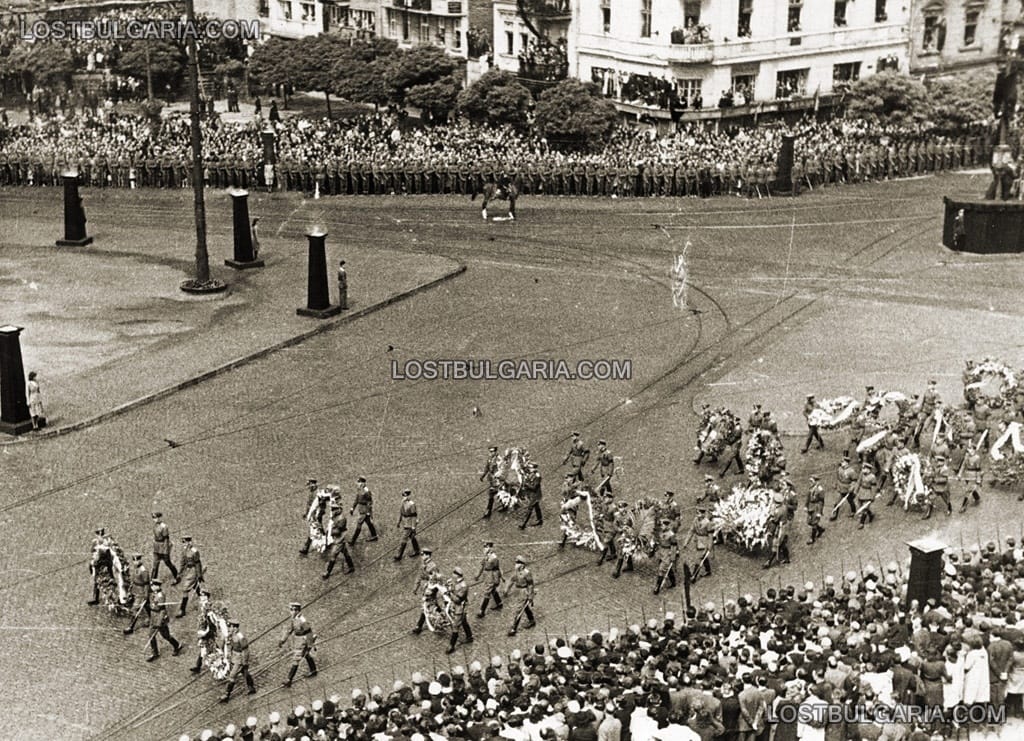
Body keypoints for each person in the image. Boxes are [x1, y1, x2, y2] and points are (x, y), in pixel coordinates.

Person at [279, 602, 317, 687]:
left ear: (298, 610)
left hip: (303, 641)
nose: (292, 612)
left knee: (296, 659)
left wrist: (310, 644)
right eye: (291, 610)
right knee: (306, 655)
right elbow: (289, 630)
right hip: (297, 640)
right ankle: (313, 670)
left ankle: (289, 679)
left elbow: (309, 632)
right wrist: (282, 640)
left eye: (294, 610)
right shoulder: (293, 619)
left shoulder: (302, 620)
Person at [220, 619, 257, 702]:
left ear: (235, 627)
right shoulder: (232, 635)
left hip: (239, 660)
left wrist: (245, 662)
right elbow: (230, 645)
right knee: (245, 673)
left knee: (232, 676)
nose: (229, 628)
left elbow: (245, 650)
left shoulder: (240, 637)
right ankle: (251, 687)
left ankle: (227, 694)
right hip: (234, 657)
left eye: (230, 627)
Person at [146, 579, 182, 662]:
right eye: (152, 586)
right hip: (153, 618)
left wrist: (159, 622)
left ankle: (177, 645)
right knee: (151, 636)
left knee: (166, 636)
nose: (152, 587)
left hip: (160, 620)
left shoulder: (161, 596)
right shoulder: (153, 593)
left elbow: (162, 610)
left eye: (153, 586)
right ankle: (155, 653)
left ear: (157, 586)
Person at [505, 555, 536, 636]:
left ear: (522, 564)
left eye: (518, 562)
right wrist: (506, 589)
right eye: (516, 562)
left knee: (519, 609)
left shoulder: (527, 573)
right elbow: (512, 580)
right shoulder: (516, 571)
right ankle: (531, 620)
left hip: (523, 591)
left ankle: (513, 628)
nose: (516, 564)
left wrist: (530, 596)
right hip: (517, 591)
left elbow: (530, 585)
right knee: (525, 607)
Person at [322, 503, 354, 579]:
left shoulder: (341, 518)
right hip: (338, 538)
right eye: (332, 509)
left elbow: (338, 531)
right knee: (345, 553)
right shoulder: (336, 516)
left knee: (333, 555)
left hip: (339, 539)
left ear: (339, 509)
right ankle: (351, 566)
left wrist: (331, 531)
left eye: (334, 509)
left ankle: (328, 572)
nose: (333, 510)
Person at [175, 536, 204, 617]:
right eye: (183, 542)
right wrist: (179, 574)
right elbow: (182, 562)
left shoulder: (194, 551)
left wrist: (199, 574)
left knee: (185, 589)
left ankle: (182, 610)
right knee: (195, 586)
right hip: (187, 571)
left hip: (193, 570)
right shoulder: (184, 550)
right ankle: (204, 599)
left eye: (185, 542)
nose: (184, 544)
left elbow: (198, 563)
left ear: (189, 542)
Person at [447, 567, 474, 654]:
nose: (452, 575)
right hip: (456, 607)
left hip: (460, 608)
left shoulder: (463, 586)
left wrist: (449, 593)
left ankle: (452, 645)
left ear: (457, 575)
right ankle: (469, 636)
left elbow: (457, 600)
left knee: (455, 626)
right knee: (463, 621)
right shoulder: (455, 582)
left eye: (454, 574)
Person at [123, 554, 151, 634]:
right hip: (136, 590)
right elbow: (133, 580)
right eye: (134, 560)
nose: (135, 562)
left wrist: (146, 594)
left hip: (141, 592)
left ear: (140, 560)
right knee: (147, 606)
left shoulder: (143, 571)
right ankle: (152, 618)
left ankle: (130, 626)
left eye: (137, 560)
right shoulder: (136, 569)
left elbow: (146, 584)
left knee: (135, 609)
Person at [683, 508, 713, 580]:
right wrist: (686, 542)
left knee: (699, 557)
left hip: (704, 540)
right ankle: (708, 570)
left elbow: (710, 536)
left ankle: (694, 576)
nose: (697, 515)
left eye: (699, 513)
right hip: (697, 540)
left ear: (703, 514)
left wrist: (709, 546)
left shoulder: (707, 523)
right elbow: (691, 531)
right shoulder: (695, 520)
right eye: (697, 513)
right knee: (702, 556)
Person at [476, 541, 504, 617]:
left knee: (487, 592)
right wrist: (478, 575)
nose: (484, 549)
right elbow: (482, 566)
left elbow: (497, 568)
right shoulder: (486, 556)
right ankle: (499, 603)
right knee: (492, 590)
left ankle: (482, 611)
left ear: (491, 548)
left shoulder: (494, 557)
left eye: (486, 547)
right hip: (487, 575)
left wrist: (501, 577)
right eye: (484, 547)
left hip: (492, 576)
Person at [349, 476, 378, 544]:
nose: (358, 484)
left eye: (359, 482)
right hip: (361, 509)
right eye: (358, 482)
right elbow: (357, 499)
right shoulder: (359, 489)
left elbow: (369, 502)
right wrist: (352, 508)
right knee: (369, 523)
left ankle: (352, 541)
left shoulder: (366, 491)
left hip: (364, 511)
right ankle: (374, 536)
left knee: (359, 524)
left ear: (363, 483)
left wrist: (368, 512)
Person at [151, 512, 179, 582]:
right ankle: (152, 581)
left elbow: (166, 539)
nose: (155, 519)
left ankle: (177, 576)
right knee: (155, 565)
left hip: (163, 548)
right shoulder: (155, 526)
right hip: (157, 547)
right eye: (153, 518)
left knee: (167, 563)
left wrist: (166, 551)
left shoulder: (164, 526)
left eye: (156, 518)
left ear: (160, 518)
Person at [830, 451, 857, 520]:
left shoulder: (851, 471)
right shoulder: (840, 469)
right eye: (841, 462)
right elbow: (838, 478)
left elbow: (854, 480)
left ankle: (853, 511)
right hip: (841, 488)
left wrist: (852, 488)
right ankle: (835, 514)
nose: (841, 463)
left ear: (847, 463)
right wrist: (835, 484)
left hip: (848, 490)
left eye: (843, 462)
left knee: (850, 501)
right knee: (837, 503)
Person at [395, 489, 421, 560]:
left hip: (410, 524)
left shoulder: (412, 504)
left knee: (404, 538)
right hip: (405, 522)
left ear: (409, 496)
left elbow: (414, 516)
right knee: (412, 537)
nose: (404, 497)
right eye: (403, 496)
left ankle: (399, 555)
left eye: (405, 496)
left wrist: (413, 527)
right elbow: (400, 512)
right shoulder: (402, 503)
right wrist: (398, 522)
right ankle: (417, 550)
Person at [653, 530, 678, 594]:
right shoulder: (661, 532)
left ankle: (657, 587)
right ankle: (673, 582)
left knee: (661, 569)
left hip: (667, 553)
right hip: (661, 552)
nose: (662, 526)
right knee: (667, 568)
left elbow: (674, 546)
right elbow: (659, 542)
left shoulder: (671, 534)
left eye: (664, 525)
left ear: (667, 525)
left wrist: (673, 556)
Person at [519, 463, 543, 529]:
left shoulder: (537, 476)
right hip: (531, 494)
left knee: (530, 508)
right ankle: (540, 519)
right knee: (536, 506)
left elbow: (534, 487)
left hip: (535, 495)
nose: (530, 469)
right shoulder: (531, 474)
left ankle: (523, 523)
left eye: (531, 468)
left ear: (535, 468)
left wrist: (527, 485)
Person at [87, 526, 108, 605]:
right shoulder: (94, 542)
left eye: (101, 534)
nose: (100, 535)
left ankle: (109, 598)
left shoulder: (106, 541)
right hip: (97, 564)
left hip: (104, 564)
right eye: (99, 534)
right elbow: (92, 551)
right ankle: (95, 598)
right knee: (96, 580)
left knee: (107, 580)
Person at [480, 447, 501, 518]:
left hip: (498, 480)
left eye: (493, 451)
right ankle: (488, 510)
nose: (491, 453)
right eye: (490, 452)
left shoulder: (499, 460)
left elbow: (502, 470)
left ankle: (488, 511)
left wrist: (498, 477)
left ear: (496, 452)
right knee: (493, 494)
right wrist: (483, 475)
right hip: (492, 480)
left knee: (498, 493)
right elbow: (487, 467)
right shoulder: (490, 459)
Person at [805, 474, 826, 544]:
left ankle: (812, 538)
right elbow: (808, 497)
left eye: (812, 481)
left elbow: (821, 502)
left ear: (816, 481)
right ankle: (820, 529)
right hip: (810, 507)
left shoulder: (820, 490)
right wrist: (806, 506)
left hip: (816, 508)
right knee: (809, 522)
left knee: (814, 523)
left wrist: (819, 512)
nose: (810, 482)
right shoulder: (811, 488)